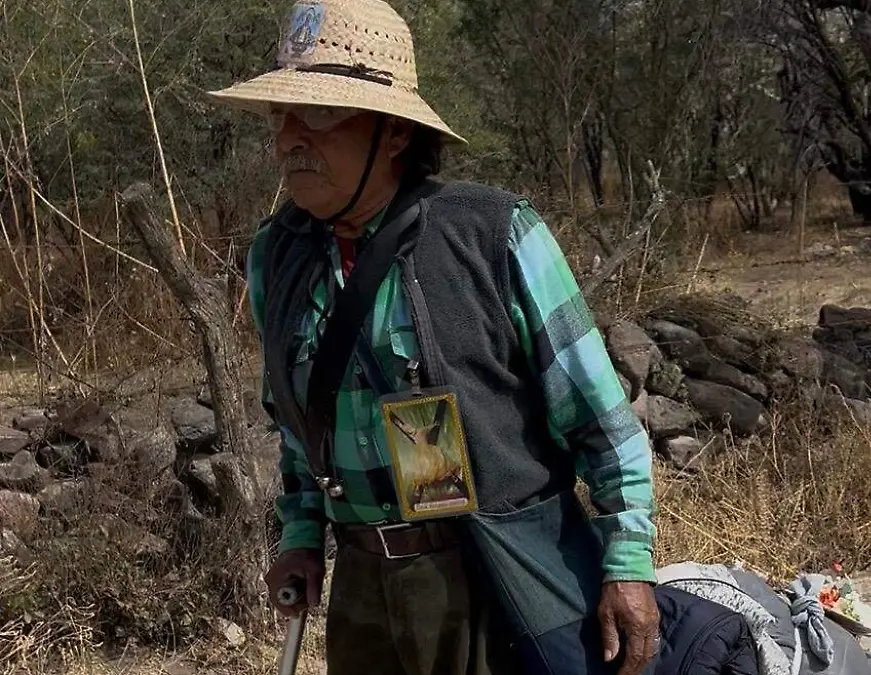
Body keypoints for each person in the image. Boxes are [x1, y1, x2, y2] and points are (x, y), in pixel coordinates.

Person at [206, 1, 660, 674]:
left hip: (497, 574)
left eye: (319, 114)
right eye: (281, 115)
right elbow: (300, 434)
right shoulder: (278, 257)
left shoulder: (494, 235)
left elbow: (604, 425)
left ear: (393, 133)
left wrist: (628, 565)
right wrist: (302, 534)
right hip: (364, 587)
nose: (289, 139)